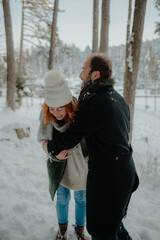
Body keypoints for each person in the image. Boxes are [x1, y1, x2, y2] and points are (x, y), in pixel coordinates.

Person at [42, 54, 139, 240]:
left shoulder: (95, 102)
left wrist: (50, 147)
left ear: (94, 75)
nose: (80, 75)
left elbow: (71, 136)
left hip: (109, 179)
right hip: (125, 173)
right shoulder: (116, 98)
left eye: (83, 71)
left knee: (102, 232)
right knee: (115, 225)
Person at [37, 69, 89, 240]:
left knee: (81, 196)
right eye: (52, 109)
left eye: (60, 109)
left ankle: (80, 228)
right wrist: (54, 155)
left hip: (80, 161)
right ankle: (63, 229)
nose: (56, 113)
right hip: (59, 162)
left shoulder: (79, 113)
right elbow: (44, 142)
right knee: (63, 197)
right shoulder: (46, 115)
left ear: (68, 106)